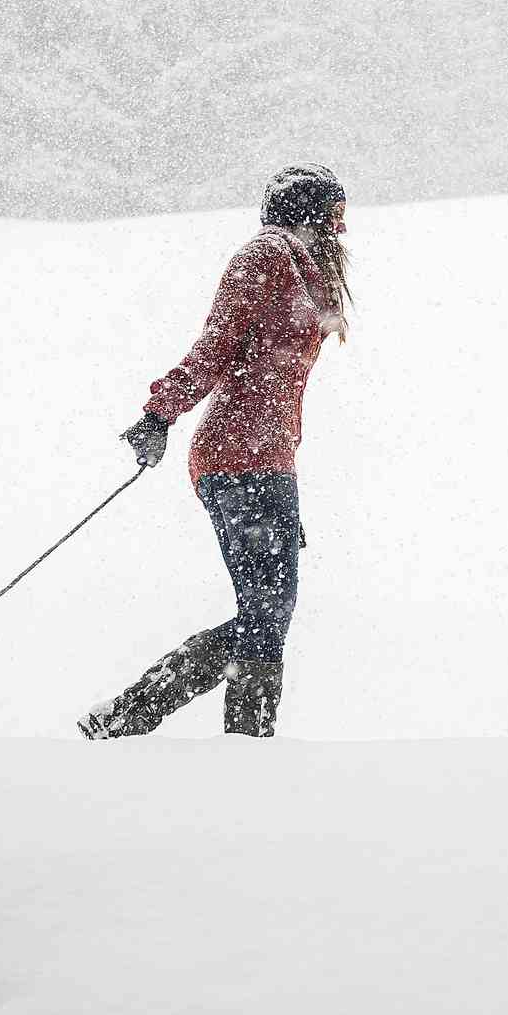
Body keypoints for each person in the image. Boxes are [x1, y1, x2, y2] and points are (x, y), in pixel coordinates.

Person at [78, 164, 352, 740]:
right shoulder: (266, 257)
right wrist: (161, 413)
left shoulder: (303, 271)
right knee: (266, 614)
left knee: (269, 616)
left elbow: (279, 373)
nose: (342, 228)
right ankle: (141, 723)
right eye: (334, 213)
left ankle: (211, 739)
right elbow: (218, 345)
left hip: (270, 461)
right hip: (236, 457)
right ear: (308, 212)